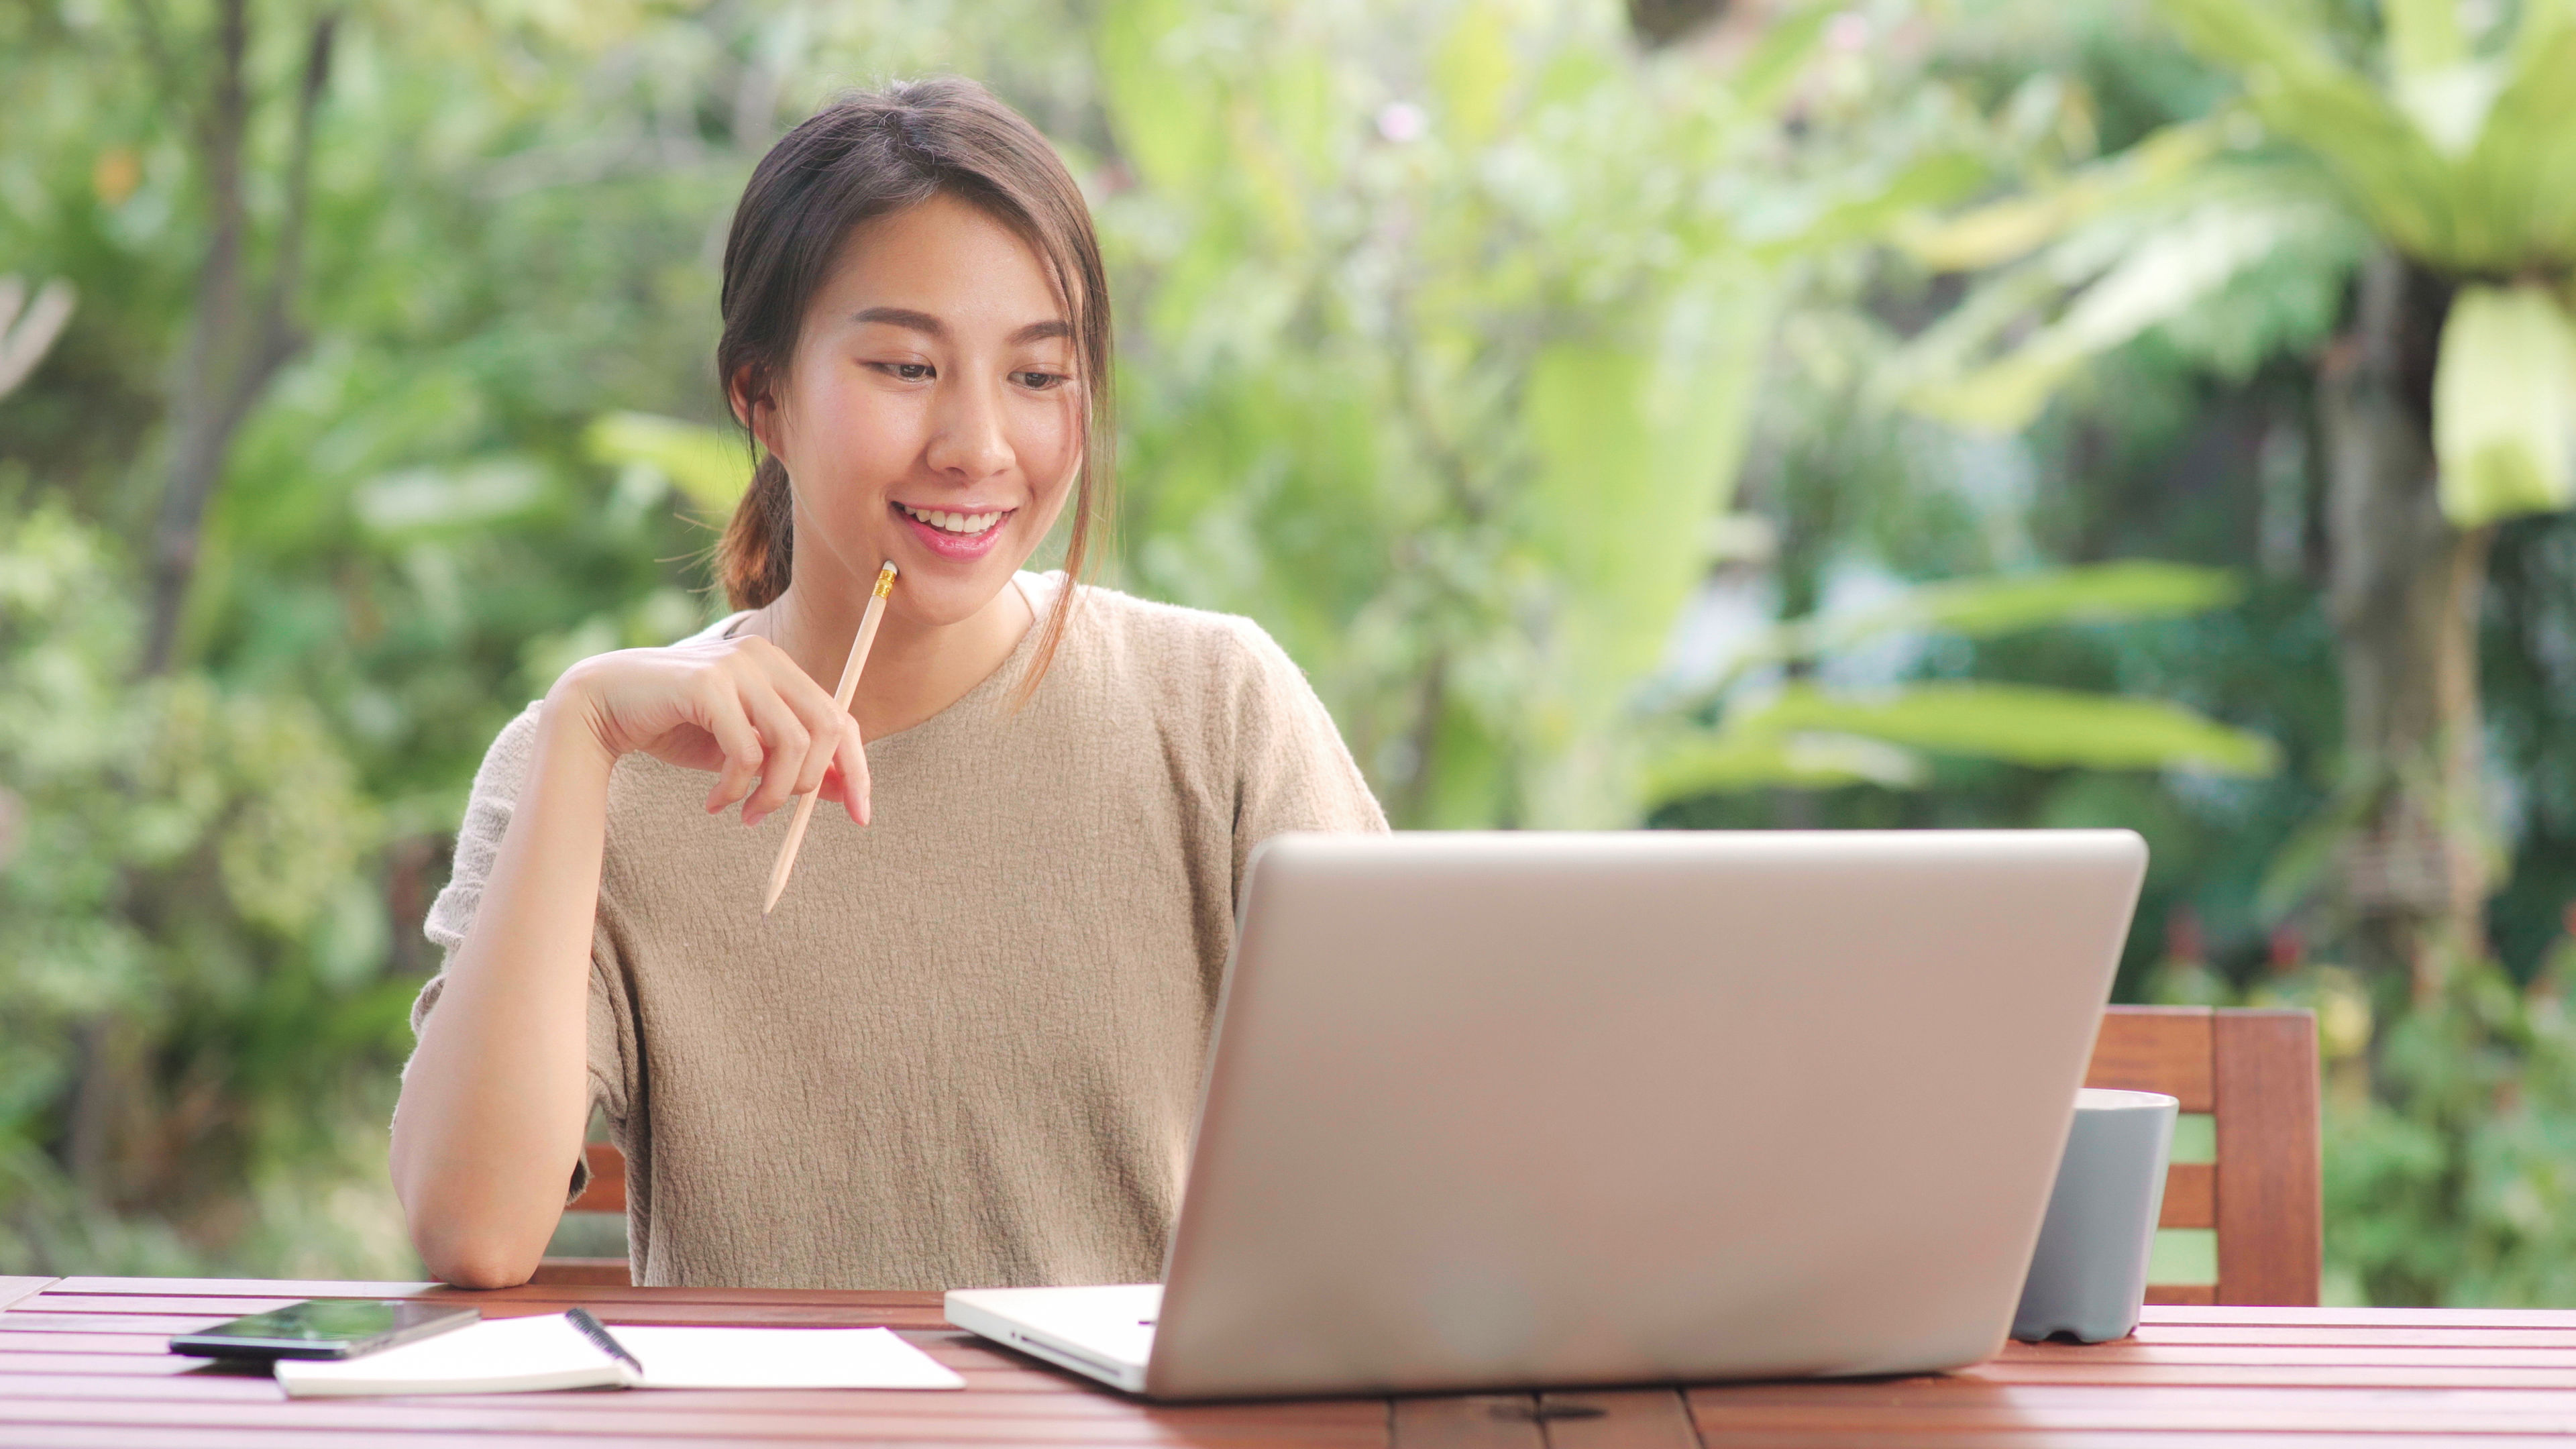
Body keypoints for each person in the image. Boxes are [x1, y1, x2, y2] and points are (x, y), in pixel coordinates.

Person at [389, 78, 1385, 1292]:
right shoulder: (592, 767)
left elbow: (1420, 1142)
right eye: (907, 368)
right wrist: (585, 732)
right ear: (761, 392)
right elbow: (472, 1230)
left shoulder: (1218, 708)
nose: (978, 445)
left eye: (1037, 376)